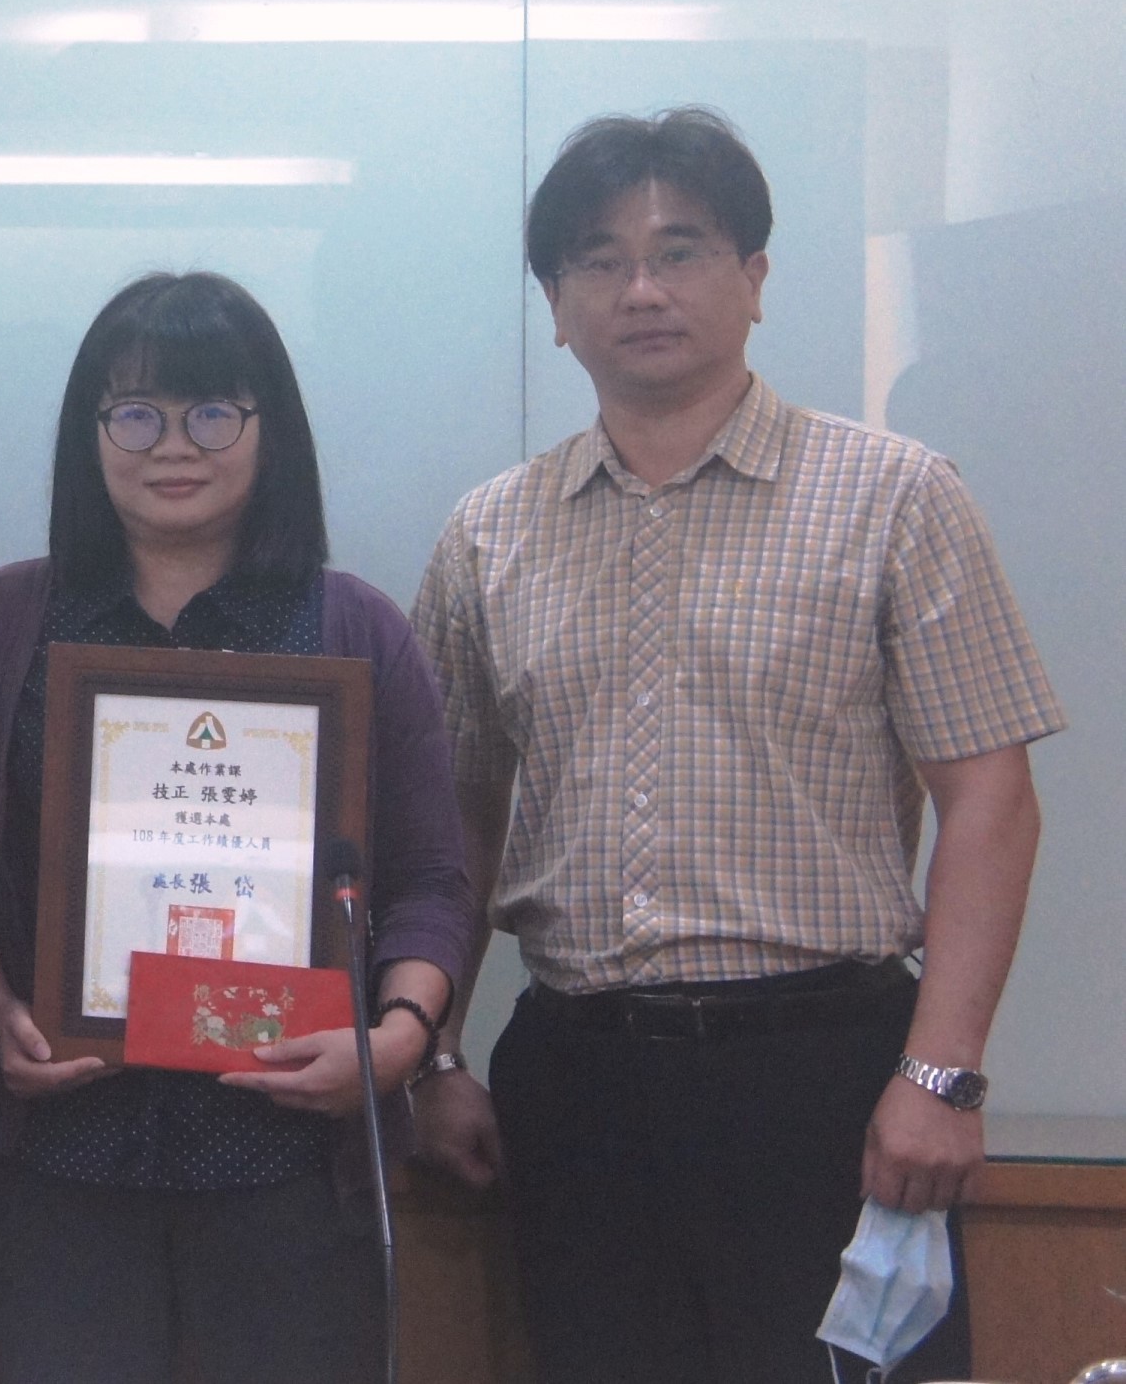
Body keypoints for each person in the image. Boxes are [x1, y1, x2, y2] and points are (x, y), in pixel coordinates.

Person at [410, 109, 1058, 1384]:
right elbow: (453, 823)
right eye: (599, 260)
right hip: (577, 1078)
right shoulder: (489, 534)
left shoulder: (895, 495)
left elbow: (992, 797)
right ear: (555, 306)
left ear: (755, 277)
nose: (641, 288)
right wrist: (432, 1053)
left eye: (680, 249)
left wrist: (943, 1074)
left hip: (826, 1074)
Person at [0, 271, 475, 1384]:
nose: (173, 444)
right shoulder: (3, 623)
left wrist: (396, 1041)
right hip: (58, 1157)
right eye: (135, 412)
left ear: (271, 430)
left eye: (212, 410)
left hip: (289, 1164)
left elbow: (430, 879)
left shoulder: (352, 628)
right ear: (90, 433)